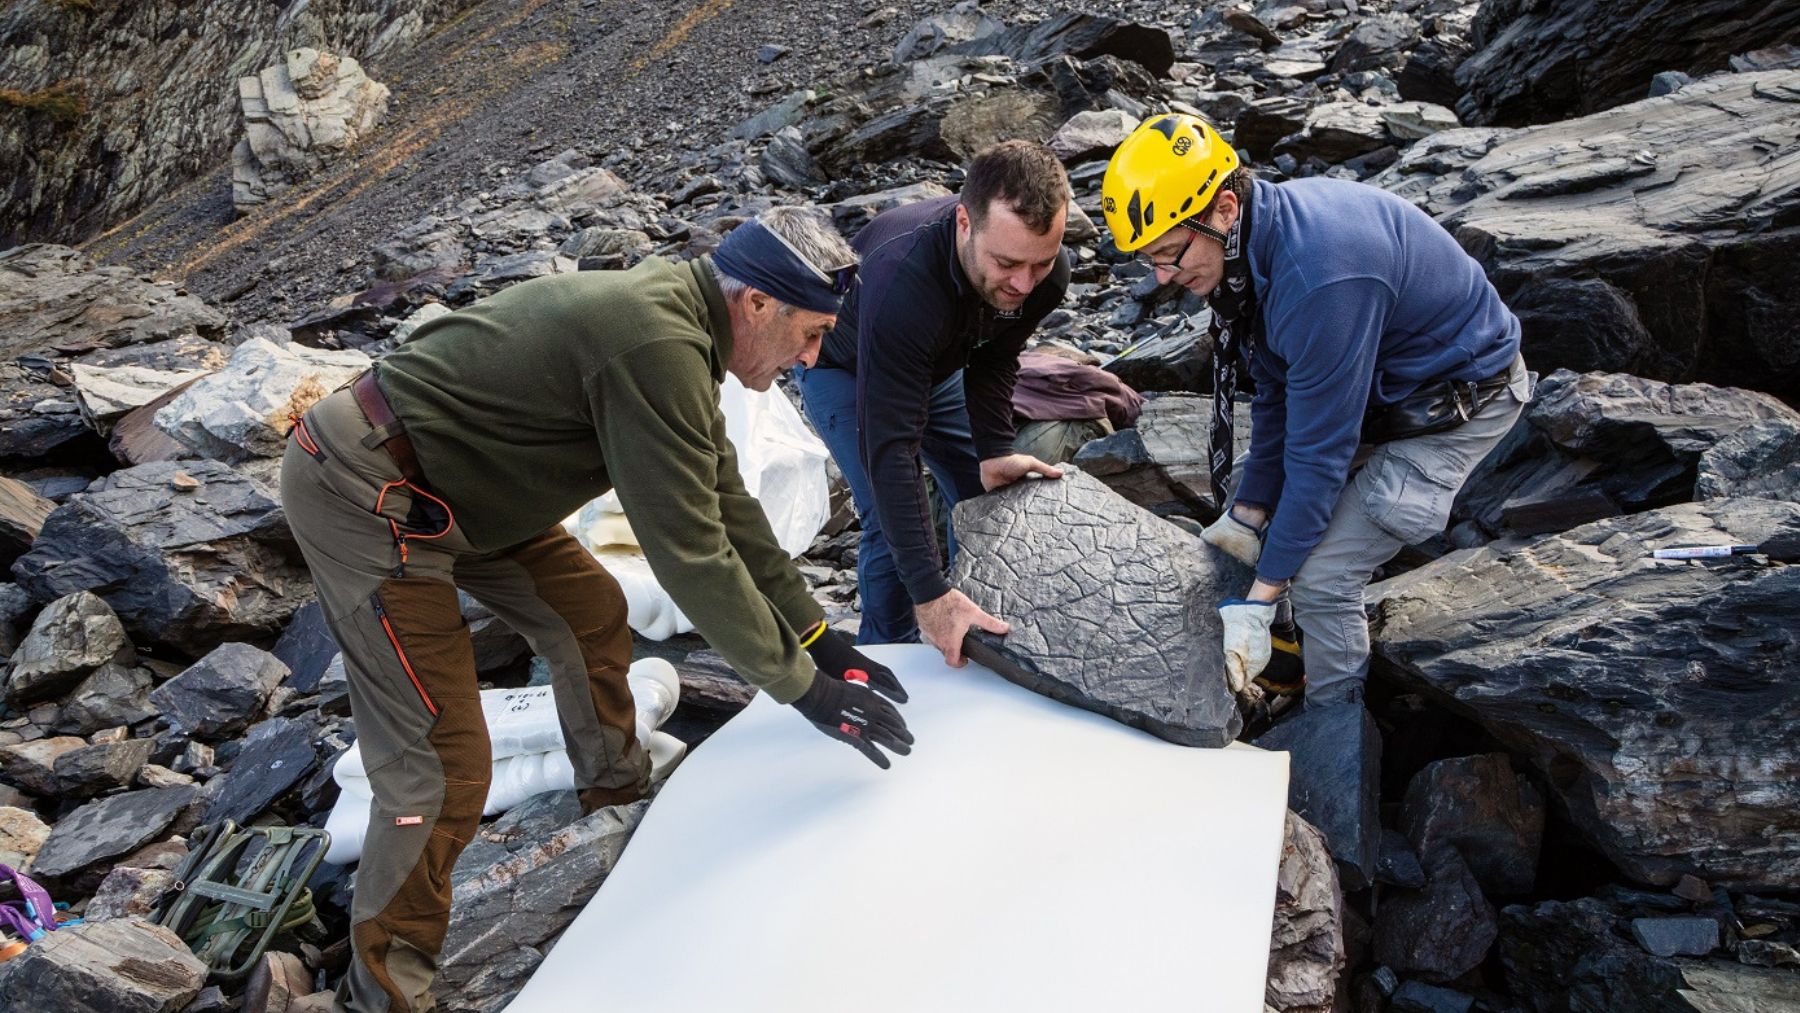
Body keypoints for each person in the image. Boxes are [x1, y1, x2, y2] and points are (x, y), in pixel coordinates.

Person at [279, 206, 913, 1012]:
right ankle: (386, 995)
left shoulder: (680, 330)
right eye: (811, 333)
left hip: (466, 486)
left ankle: (613, 800)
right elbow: (692, 554)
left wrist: (818, 635)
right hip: (367, 494)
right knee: (440, 767)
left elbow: (725, 498)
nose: (814, 356)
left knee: (588, 614)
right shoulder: (654, 344)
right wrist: (805, 690)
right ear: (756, 304)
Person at [1100, 113, 1531, 709]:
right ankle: (1285, 655)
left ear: (1224, 209)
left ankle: (1332, 726)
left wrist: (1262, 598)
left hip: (1460, 406)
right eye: (1151, 260)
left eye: (1172, 254)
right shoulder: (1258, 246)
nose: (1165, 277)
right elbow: (1277, 395)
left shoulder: (1319, 279)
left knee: (1324, 578)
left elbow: (1319, 456)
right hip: (1385, 390)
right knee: (1259, 503)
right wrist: (1246, 516)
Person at [794, 140, 1074, 665]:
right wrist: (928, 592)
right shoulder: (902, 279)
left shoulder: (1043, 275)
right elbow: (892, 449)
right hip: (845, 367)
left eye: (1041, 264)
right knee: (888, 509)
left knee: (982, 493)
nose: (1023, 284)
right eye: (1008, 263)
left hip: (941, 359)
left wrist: (993, 449)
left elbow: (995, 357)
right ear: (964, 223)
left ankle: (988, 628)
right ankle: (885, 653)